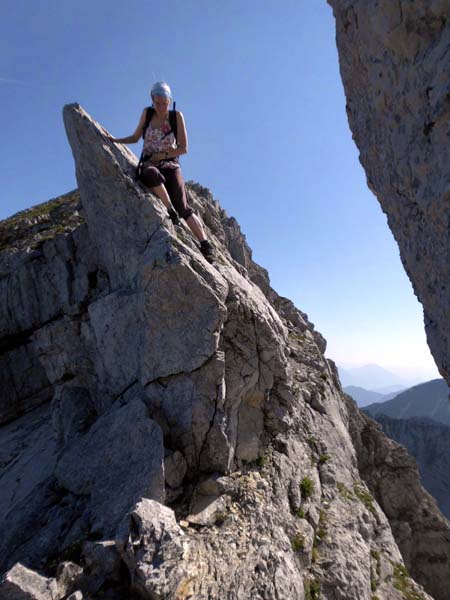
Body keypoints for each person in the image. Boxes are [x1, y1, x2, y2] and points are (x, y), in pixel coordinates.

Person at [107, 81, 214, 262]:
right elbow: (135, 137)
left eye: (164, 103)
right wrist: (115, 140)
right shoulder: (147, 114)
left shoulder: (176, 116)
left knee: (184, 206)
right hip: (149, 163)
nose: (161, 107)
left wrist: (163, 155)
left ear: (170, 100)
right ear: (152, 101)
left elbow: (183, 148)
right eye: (157, 103)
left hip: (171, 164)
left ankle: (205, 244)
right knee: (150, 174)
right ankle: (170, 210)